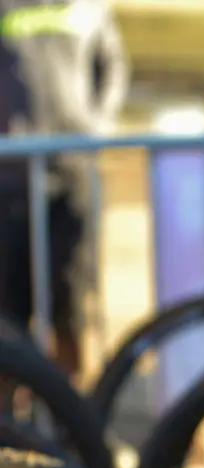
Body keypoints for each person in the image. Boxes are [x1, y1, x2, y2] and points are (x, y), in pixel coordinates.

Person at [0, 0, 129, 377]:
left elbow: (113, 67)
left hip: (72, 173)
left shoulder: (89, 6)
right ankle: (12, 418)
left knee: (70, 304)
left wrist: (95, 127)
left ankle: (71, 414)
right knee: (8, 313)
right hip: (8, 180)